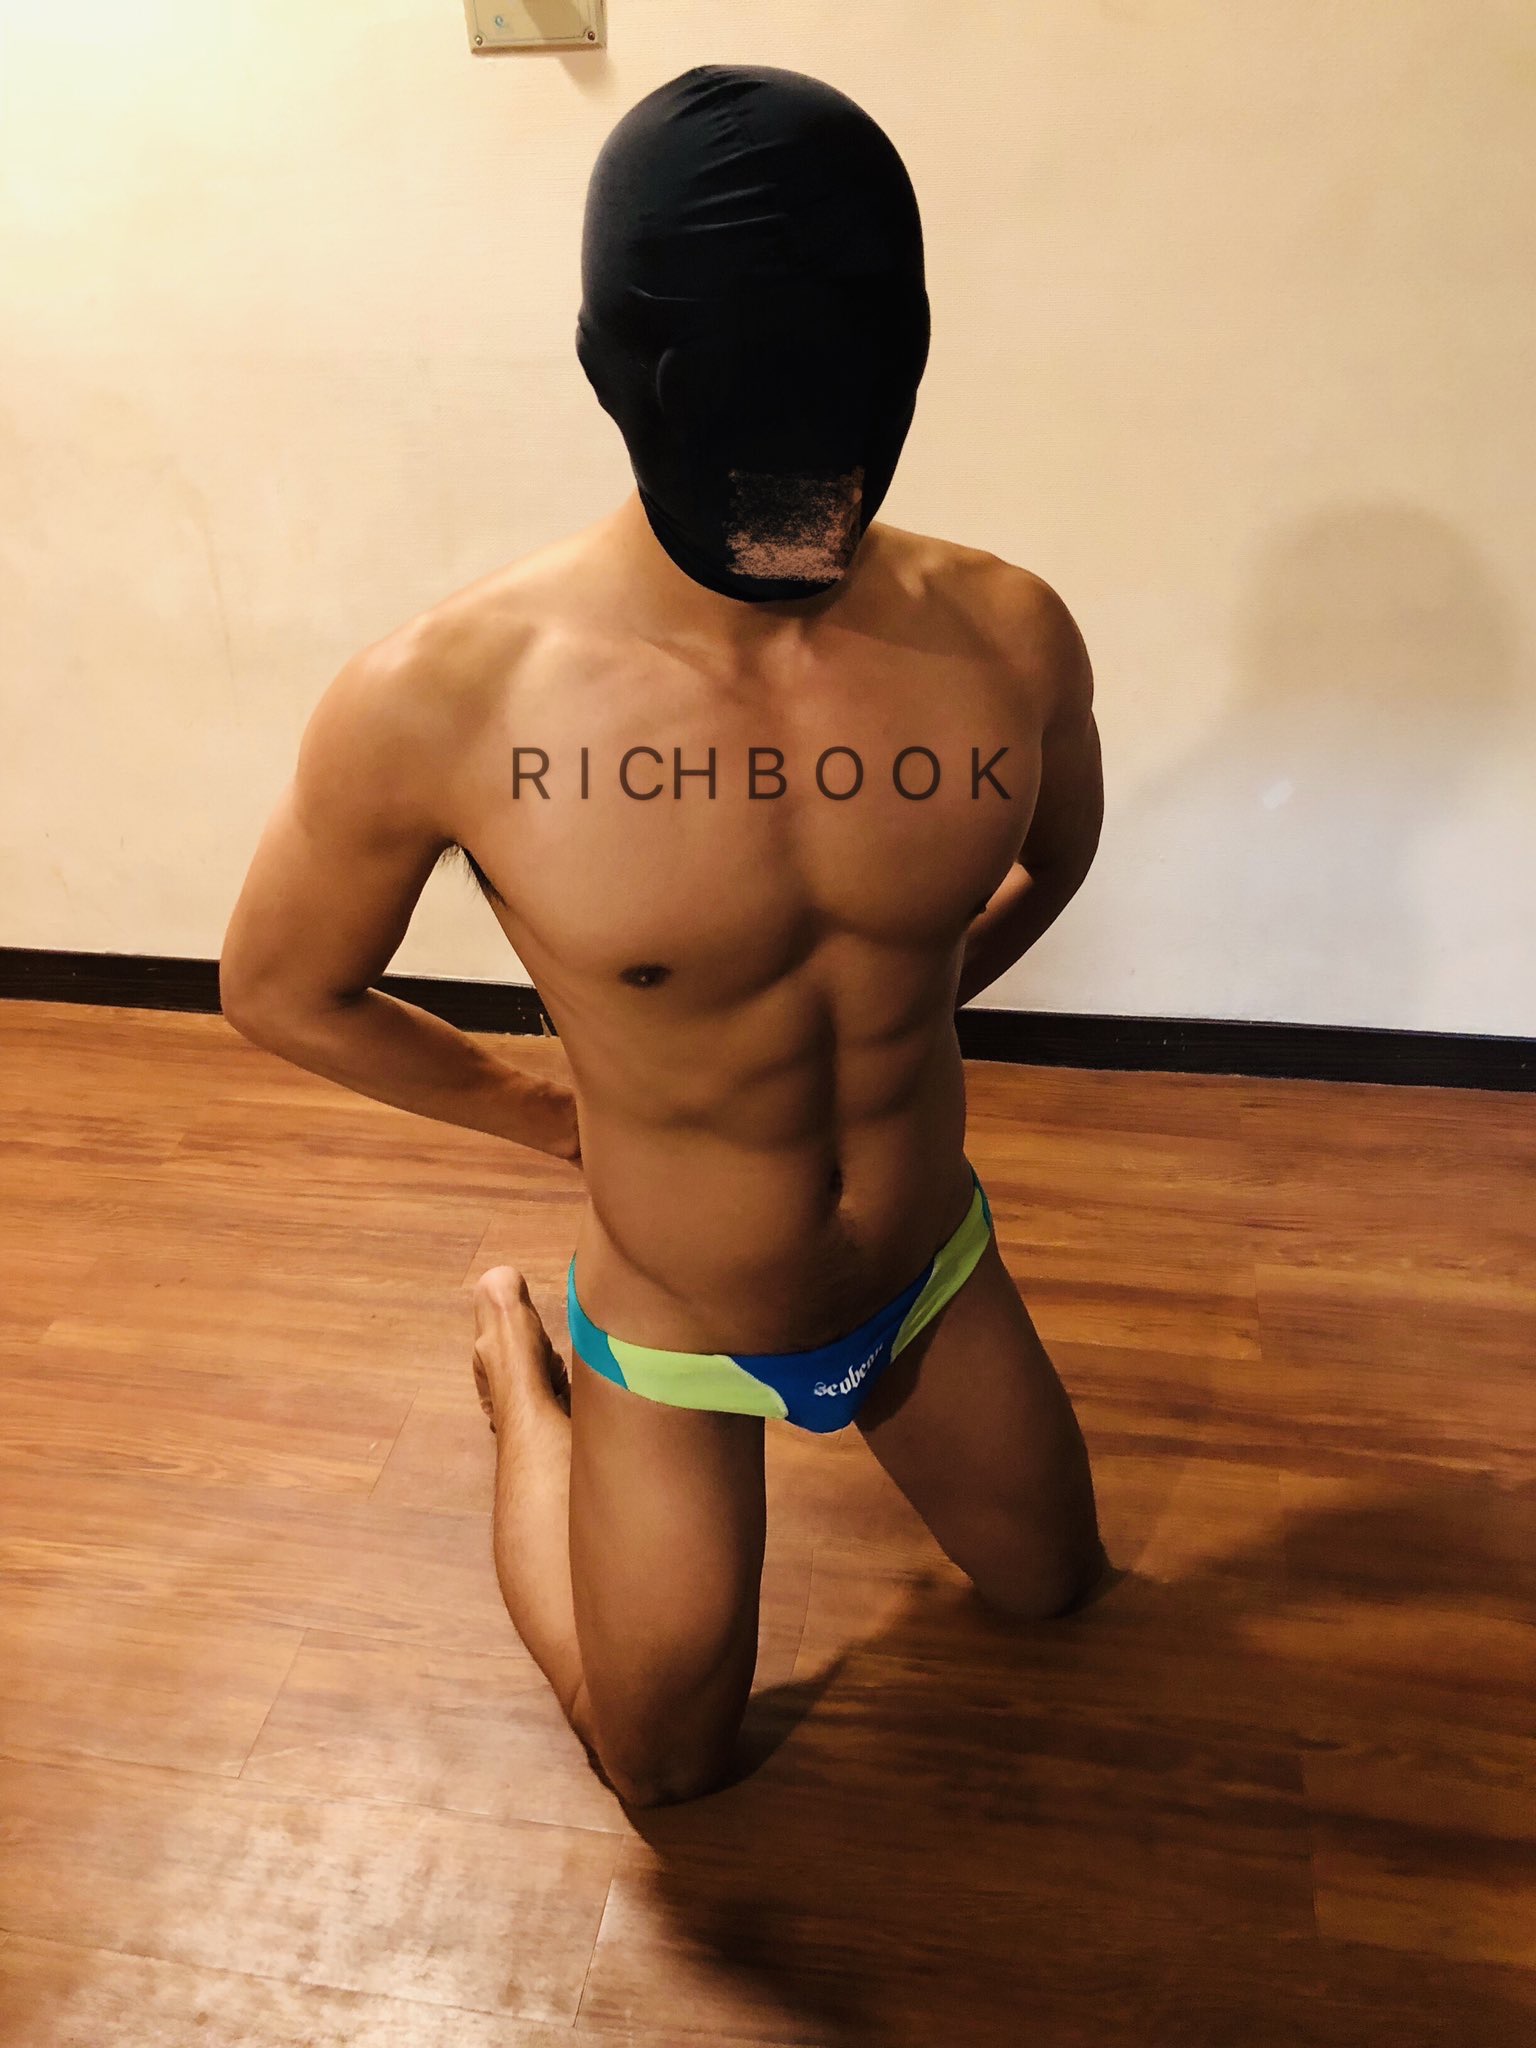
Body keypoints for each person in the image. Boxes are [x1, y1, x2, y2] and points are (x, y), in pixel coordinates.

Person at [220, 65, 1110, 1810]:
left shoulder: (1009, 633)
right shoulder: (448, 696)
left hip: (929, 1264)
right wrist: (552, 1113)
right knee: (663, 1767)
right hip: (676, 1320)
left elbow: (1055, 863)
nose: (802, 476)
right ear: (624, 376)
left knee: (1054, 1588)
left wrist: (908, 1007)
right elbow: (278, 988)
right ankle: (516, 1357)